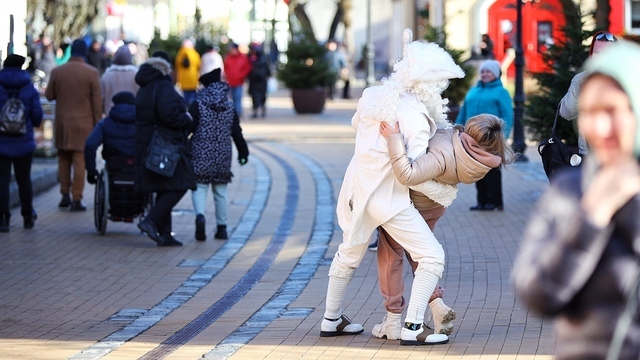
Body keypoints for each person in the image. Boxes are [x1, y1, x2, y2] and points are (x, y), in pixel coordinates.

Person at [321, 38, 464, 346]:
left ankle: (331, 318)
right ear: (429, 83)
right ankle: (412, 327)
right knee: (431, 255)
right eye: (440, 83)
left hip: (357, 189)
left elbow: (355, 123)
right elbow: (411, 168)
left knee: (348, 254)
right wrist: (443, 191)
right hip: (389, 199)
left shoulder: (371, 94)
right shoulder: (418, 117)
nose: (441, 88)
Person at [513, 42, 640, 360]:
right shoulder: (569, 190)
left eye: (612, 111)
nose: (600, 127)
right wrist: (590, 219)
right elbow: (535, 294)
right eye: (590, 113)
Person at [375, 114, 514, 339]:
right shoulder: (483, 157)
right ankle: (436, 304)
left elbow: (407, 174)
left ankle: (392, 318)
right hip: (433, 206)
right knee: (421, 256)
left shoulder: (446, 152)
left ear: (471, 130)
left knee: (391, 255)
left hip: (410, 207)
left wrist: (394, 138)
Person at [134, 51, 196, 247]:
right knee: (182, 182)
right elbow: (169, 114)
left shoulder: (144, 87)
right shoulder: (163, 86)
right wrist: (186, 119)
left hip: (147, 143)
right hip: (165, 144)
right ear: (164, 68)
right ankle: (151, 220)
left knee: (164, 185)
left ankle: (165, 233)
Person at [189, 68, 249, 241]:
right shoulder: (229, 106)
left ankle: (200, 216)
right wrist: (243, 152)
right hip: (222, 154)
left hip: (200, 153)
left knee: (199, 188)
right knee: (220, 192)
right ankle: (221, 228)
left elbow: (189, 127)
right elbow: (236, 132)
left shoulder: (198, 103)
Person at [45, 39, 102, 211]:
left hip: (62, 122)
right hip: (83, 124)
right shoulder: (91, 73)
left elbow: (49, 96)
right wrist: (98, 124)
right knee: (79, 161)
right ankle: (77, 198)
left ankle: (64, 195)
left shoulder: (57, 71)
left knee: (63, 158)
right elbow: (97, 103)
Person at [455, 59, 513, 211]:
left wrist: (502, 137)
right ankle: (481, 201)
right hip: (473, 138)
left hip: (492, 138)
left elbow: (508, 116)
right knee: (477, 169)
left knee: (493, 171)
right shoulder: (473, 91)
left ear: (495, 74)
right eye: (483, 71)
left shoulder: (501, 92)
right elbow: (463, 112)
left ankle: (494, 202)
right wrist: (457, 128)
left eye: (488, 71)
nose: (485, 74)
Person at [0, 54, 43, 232]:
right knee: (24, 180)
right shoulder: (29, 88)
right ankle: (27, 215)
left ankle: (3, 218)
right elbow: (37, 117)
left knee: (1, 181)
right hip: (24, 143)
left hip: (1, 143)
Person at [559, 31, 618, 156]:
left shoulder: (628, 80)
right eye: (597, 52)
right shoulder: (580, 79)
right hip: (587, 156)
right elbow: (566, 113)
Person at [84, 91, 137, 185]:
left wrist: (91, 171)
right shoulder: (143, 123)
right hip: (137, 162)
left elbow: (90, 145)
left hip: (114, 162)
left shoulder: (105, 123)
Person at [100, 45, 139, 115]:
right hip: (133, 117)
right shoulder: (136, 74)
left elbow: (101, 98)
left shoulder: (107, 76)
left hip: (111, 117)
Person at [223, 42, 252, 118]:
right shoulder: (228, 58)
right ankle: (232, 112)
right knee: (231, 98)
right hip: (230, 81)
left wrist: (241, 76)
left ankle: (238, 112)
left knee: (238, 98)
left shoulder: (242, 58)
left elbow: (247, 68)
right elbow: (226, 68)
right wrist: (227, 75)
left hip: (239, 82)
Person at [174, 38, 201, 107]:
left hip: (183, 79)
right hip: (193, 79)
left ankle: (186, 110)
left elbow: (177, 65)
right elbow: (199, 65)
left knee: (185, 97)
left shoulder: (180, 54)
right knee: (193, 97)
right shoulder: (195, 54)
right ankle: (192, 110)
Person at [247, 43, 271, 118]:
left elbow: (267, 68)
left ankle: (261, 110)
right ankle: (256, 110)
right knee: (254, 96)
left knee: (262, 96)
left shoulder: (262, 57)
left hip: (261, 80)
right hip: (254, 80)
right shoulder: (250, 57)